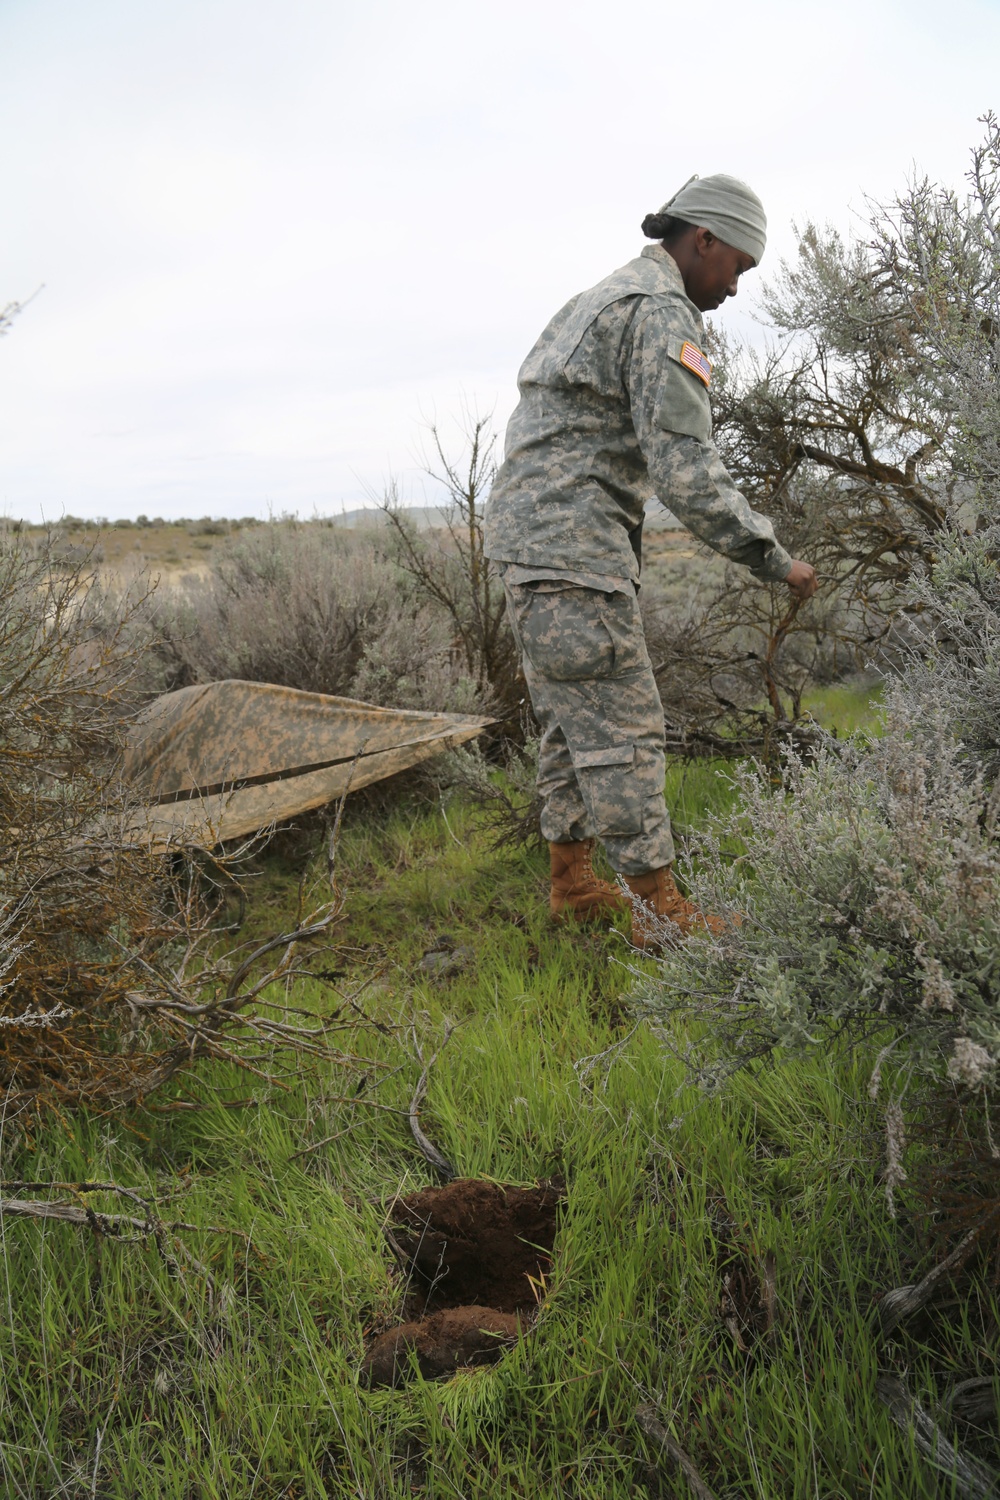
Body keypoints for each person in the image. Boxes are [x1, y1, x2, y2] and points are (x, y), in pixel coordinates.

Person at [483, 173, 818, 950]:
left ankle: (573, 884)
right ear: (702, 238)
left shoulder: (603, 297)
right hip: (574, 552)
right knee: (628, 727)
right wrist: (773, 558)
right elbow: (684, 468)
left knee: (572, 725)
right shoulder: (659, 311)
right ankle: (658, 910)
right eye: (737, 263)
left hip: (534, 546)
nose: (736, 285)